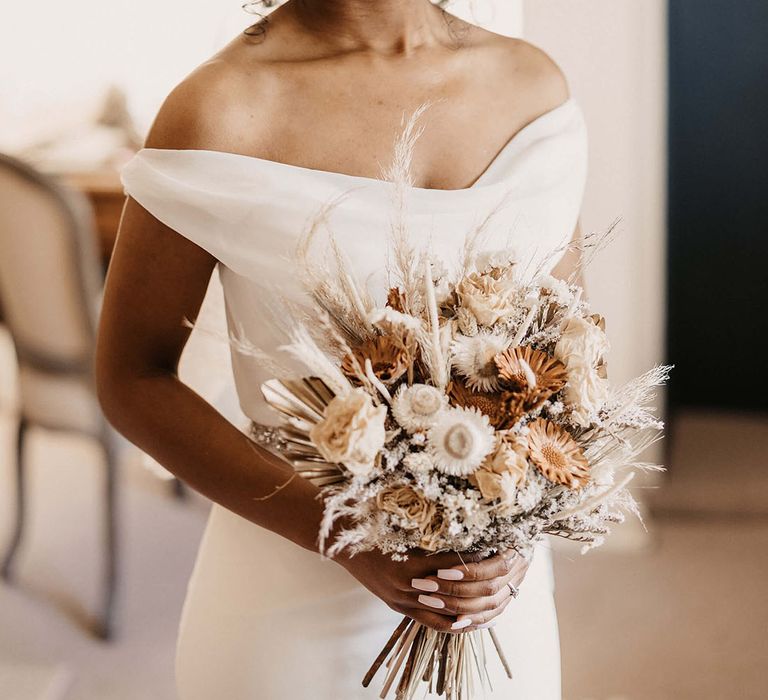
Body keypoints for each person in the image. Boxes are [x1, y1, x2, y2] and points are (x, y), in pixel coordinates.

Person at [96, 1, 587, 697]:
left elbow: (567, 351)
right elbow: (131, 378)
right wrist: (347, 534)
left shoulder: (531, 87)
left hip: (496, 606)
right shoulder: (221, 109)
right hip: (288, 611)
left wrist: (515, 521)